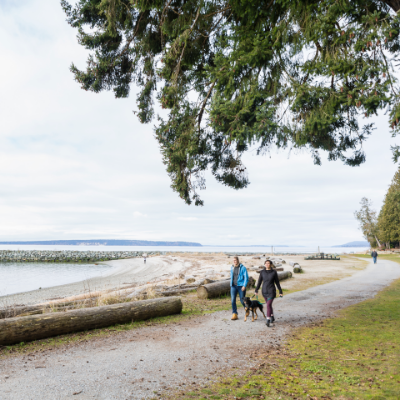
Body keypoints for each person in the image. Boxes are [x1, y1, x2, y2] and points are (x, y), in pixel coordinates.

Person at [255, 260, 283, 327]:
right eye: (266, 263)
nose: (267, 264)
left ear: (271, 264)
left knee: (268, 305)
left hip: (271, 291)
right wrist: (256, 290)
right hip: (264, 291)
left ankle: (268, 319)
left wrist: (280, 291)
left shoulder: (274, 272)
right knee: (269, 305)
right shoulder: (262, 272)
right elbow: (259, 282)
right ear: (264, 264)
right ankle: (272, 316)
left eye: (268, 263)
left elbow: (277, 282)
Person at [230, 256, 249, 321]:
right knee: (233, 300)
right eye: (233, 260)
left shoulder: (243, 268)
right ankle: (234, 314)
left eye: (235, 260)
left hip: (241, 286)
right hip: (233, 286)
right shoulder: (232, 267)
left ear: (238, 260)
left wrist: (244, 285)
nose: (234, 261)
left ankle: (247, 309)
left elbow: (246, 277)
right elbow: (232, 276)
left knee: (242, 300)